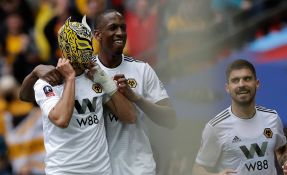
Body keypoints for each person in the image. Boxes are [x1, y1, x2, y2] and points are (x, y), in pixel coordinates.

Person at [19, 10, 176, 175]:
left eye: (123, 28)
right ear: (97, 35)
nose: (120, 33)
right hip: (69, 170)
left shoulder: (103, 76)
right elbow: (30, 99)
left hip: (126, 168)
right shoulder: (57, 78)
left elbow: (133, 117)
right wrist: (36, 72)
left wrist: (123, 91)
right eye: (113, 28)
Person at [33, 16, 136, 175]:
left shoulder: (96, 78)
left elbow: (130, 117)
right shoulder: (47, 83)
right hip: (64, 171)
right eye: (80, 44)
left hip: (101, 171)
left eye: (87, 42)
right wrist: (70, 78)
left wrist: (105, 82)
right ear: (66, 47)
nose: (86, 50)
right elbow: (61, 119)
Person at [193, 59, 287, 175]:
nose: (241, 84)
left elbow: (282, 149)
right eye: (235, 80)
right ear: (227, 88)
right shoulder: (215, 127)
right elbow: (197, 170)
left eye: (247, 79)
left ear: (257, 84)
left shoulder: (272, 117)